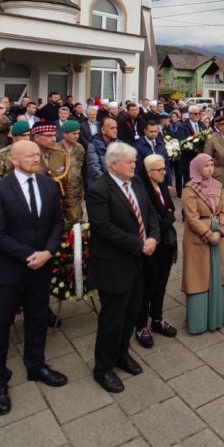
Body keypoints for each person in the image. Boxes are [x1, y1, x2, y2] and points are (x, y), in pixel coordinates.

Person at [0, 141, 67, 414]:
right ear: (14, 160)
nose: (37, 158)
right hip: (10, 269)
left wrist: (48, 252)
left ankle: (36, 364)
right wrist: (29, 254)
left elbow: (58, 221)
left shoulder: (46, 184)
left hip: (40, 267)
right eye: (31, 155)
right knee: (0, 325)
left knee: (37, 318)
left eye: (37, 155)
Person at [86, 141, 160, 393]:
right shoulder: (99, 190)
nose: (134, 165)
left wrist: (153, 237)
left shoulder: (137, 182)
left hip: (139, 262)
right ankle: (103, 368)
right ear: (114, 164)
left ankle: (122, 353)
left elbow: (150, 212)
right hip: (114, 265)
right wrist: (139, 244)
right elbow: (103, 228)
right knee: (113, 318)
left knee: (131, 313)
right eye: (130, 162)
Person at [181, 153, 224, 334]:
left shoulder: (218, 185)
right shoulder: (190, 189)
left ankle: (218, 317)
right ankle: (199, 322)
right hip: (198, 240)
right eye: (206, 166)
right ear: (197, 168)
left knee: (217, 274)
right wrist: (209, 234)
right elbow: (191, 218)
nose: (210, 169)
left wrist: (222, 229)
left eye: (212, 165)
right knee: (199, 277)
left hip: (218, 236)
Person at [134, 153, 178, 348]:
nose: (164, 172)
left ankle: (157, 319)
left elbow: (171, 210)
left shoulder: (160, 186)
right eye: (159, 170)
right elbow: (154, 218)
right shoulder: (142, 190)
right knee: (147, 287)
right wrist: (167, 218)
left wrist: (167, 217)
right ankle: (141, 325)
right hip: (152, 246)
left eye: (164, 168)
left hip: (167, 244)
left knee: (161, 284)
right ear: (148, 172)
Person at [59, 120, 87, 222]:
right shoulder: (56, 149)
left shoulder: (80, 148)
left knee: (76, 222)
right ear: (64, 134)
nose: (76, 136)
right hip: (61, 191)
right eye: (73, 133)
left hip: (76, 191)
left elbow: (82, 168)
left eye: (78, 133)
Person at [86, 117, 118, 184]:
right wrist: (110, 183)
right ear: (103, 130)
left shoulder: (120, 144)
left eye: (116, 128)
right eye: (112, 128)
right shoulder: (93, 146)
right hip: (103, 185)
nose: (115, 131)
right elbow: (95, 169)